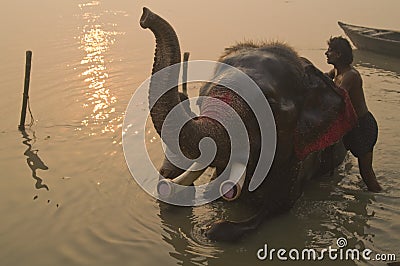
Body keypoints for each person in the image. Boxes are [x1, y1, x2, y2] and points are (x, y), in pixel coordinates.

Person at [325, 36, 382, 192]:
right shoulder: (335, 72)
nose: (326, 53)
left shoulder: (351, 75)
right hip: (351, 126)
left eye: (330, 51)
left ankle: (380, 199)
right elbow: (321, 79)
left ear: (339, 54)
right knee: (363, 171)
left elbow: (336, 98)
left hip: (363, 126)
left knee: (367, 173)